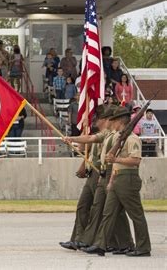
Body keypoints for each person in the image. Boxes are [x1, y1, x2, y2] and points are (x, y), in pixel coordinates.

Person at [62, 106, 134, 253]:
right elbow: (90, 140)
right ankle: (82, 239)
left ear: (106, 120)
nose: (96, 121)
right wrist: (72, 139)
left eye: (99, 118)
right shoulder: (106, 134)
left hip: (108, 172)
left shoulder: (118, 135)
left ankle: (119, 242)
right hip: (97, 172)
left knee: (110, 210)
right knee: (89, 207)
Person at [82, 106, 151, 257]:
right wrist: (111, 180)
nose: (111, 122)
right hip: (117, 177)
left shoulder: (132, 138)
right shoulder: (120, 138)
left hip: (128, 178)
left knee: (136, 215)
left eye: (113, 120)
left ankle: (143, 247)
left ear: (120, 120)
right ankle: (100, 244)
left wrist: (115, 159)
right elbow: (115, 164)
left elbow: (135, 160)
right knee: (108, 213)